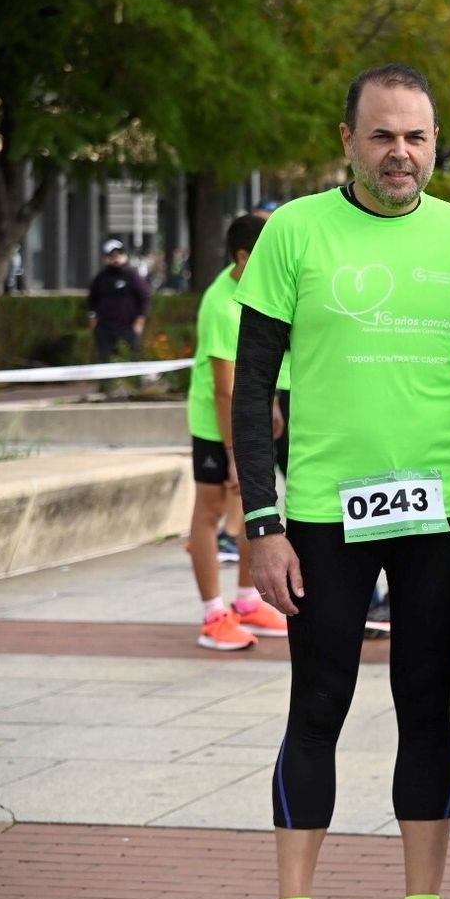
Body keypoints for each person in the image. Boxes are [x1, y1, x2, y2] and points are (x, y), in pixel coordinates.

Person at [231, 63, 450, 899]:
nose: (401, 152)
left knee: (425, 701)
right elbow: (249, 390)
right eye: (383, 135)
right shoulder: (294, 232)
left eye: (417, 136)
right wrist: (260, 522)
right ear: (348, 142)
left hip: (445, 513)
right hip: (324, 515)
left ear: (436, 145)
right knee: (317, 704)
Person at [185, 214, 292, 651]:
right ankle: (213, 613)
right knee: (210, 514)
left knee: (254, 506)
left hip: (250, 420)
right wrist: (234, 454)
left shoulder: (258, 291)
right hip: (216, 425)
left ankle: (248, 601)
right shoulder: (220, 304)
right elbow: (226, 390)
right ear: (244, 256)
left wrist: (270, 406)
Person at [88, 238, 150, 361]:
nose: (116, 258)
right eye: (112, 256)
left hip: (128, 327)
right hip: (105, 328)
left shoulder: (132, 276)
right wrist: (93, 319)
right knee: (105, 361)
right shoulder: (100, 278)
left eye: (119, 254)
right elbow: (92, 300)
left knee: (134, 360)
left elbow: (144, 298)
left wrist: (140, 320)